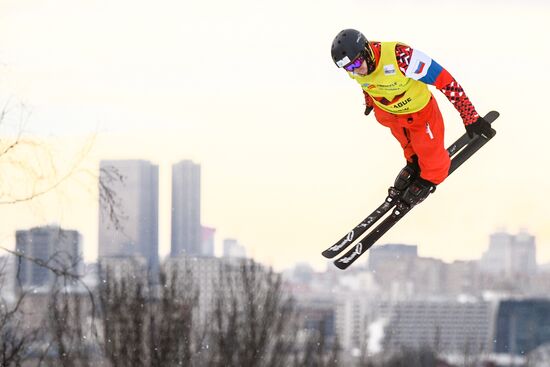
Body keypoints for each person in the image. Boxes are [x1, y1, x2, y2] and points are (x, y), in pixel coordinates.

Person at [331, 29, 494, 206]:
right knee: (408, 144)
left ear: (367, 51)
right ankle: (414, 162)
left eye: (356, 64)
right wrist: (369, 101)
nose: (356, 71)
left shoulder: (402, 57)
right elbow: (368, 84)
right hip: (391, 115)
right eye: (348, 68)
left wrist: (469, 116)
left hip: (419, 113)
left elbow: (445, 81)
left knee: (432, 158)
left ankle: (429, 178)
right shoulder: (355, 70)